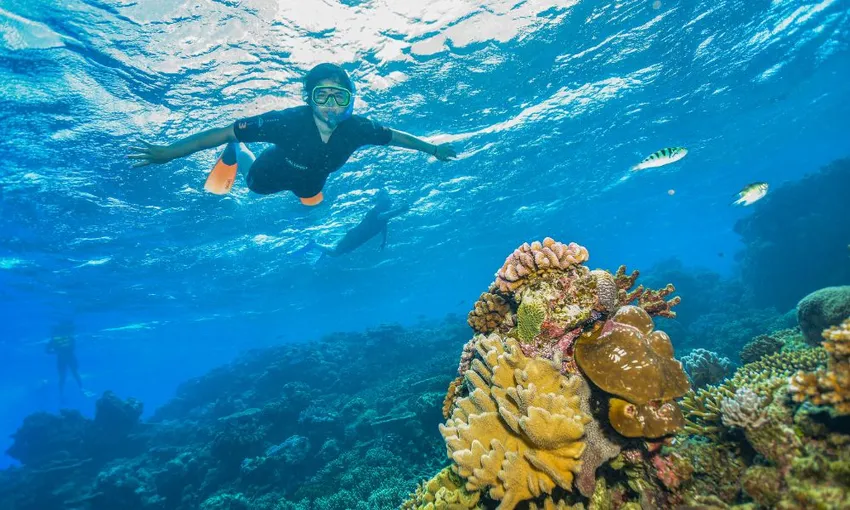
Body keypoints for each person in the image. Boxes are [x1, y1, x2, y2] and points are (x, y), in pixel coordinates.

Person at [128, 63, 457, 206]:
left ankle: (303, 197)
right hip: (268, 174)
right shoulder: (286, 122)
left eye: (339, 97)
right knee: (253, 186)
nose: (331, 105)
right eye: (322, 96)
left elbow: (396, 137)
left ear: (351, 100)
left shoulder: (359, 129)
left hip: (313, 180)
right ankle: (237, 153)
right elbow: (223, 130)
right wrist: (170, 152)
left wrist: (432, 149)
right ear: (309, 99)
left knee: (312, 202)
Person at [306, 190, 410, 257]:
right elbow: (382, 216)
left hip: (358, 238)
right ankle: (314, 244)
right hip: (355, 236)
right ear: (380, 200)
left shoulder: (383, 215)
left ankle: (324, 249)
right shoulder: (376, 211)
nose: (390, 202)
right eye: (387, 199)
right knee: (335, 253)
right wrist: (400, 210)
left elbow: (384, 225)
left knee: (339, 251)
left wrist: (384, 241)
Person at [45, 322, 85, 399]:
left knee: (69, 375)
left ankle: (79, 388)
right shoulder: (63, 338)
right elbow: (47, 350)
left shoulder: (57, 339)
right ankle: (79, 389)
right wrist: (57, 351)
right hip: (68, 358)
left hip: (64, 358)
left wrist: (57, 351)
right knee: (69, 375)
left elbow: (47, 350)